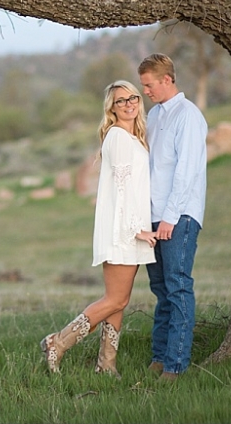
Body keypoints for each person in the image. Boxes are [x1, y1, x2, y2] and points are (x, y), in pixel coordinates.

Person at [40, 80, 157, 378]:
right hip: (123, 230)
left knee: (119, 300)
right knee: (115, 300)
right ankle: (58, 342)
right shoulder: (117, 137)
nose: (129, 103)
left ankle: (106, 364)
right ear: (111, 108)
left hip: (132, 229)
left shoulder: (133, 138)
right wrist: (137, 229)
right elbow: (122, 190)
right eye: (121, 100)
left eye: (133, 97)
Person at [138, 53, 207, 382]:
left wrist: (170, 217)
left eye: (149, 85)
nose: (146, 91)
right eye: (144, 86)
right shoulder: (153, 116)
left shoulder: (188, 116)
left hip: (179, 217)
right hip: (153, 217)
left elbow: (187, 171)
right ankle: (159, 357)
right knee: (161, 289)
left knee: (178, 287)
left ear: (167, 79)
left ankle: (176, 365)